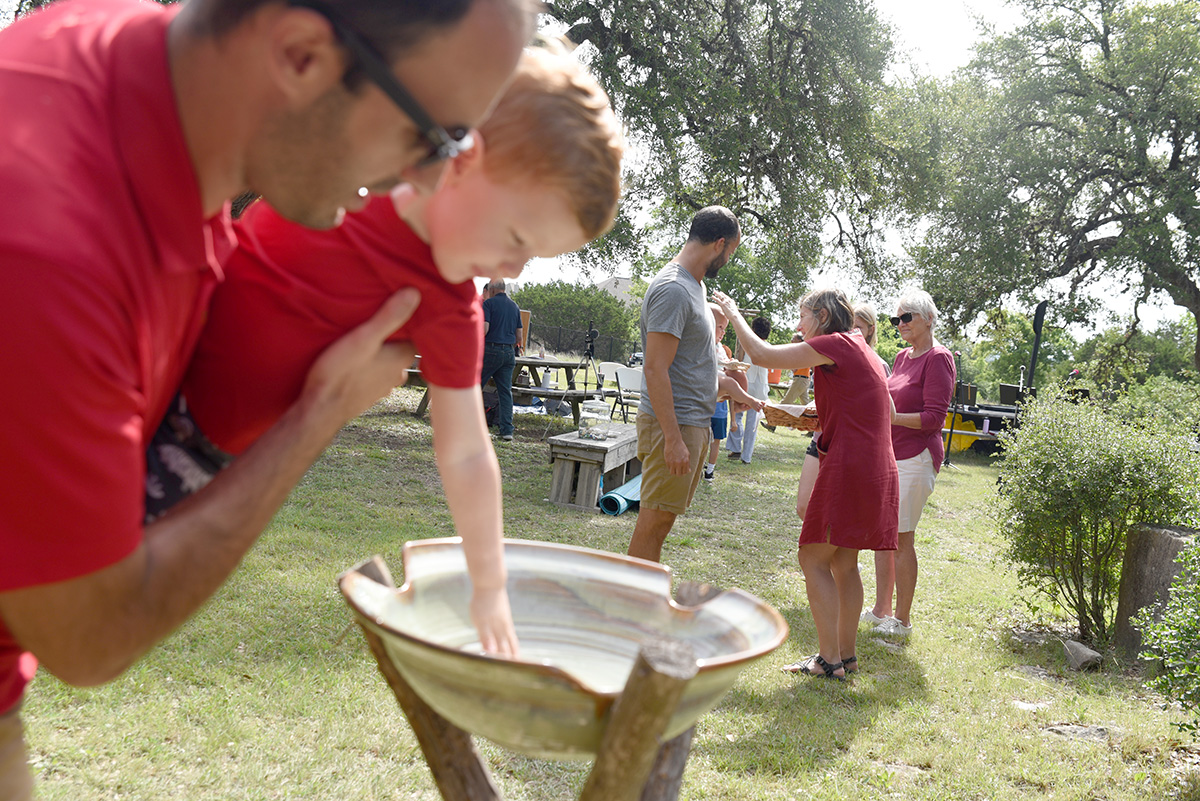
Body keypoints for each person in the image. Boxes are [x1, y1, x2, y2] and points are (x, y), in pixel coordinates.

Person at [0, 0, 534, 795]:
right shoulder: (44, 250)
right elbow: (90, 636)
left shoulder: (123, 59)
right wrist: (317, 413)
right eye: (435, 137)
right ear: (299, 56)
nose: (428, 178)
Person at [151, 44, 622, 647]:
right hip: (141, 363)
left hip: (201, 456)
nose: (517, 269)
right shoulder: (348, 177)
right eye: (515, 238)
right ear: (464, 161)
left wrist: (488, 584)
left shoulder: (452, 310)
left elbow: (468, 455)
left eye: (533, 255)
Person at [713, 287, 898, 680]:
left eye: (802, 317)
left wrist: (731, 310)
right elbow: (857, 407)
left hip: (850, 464)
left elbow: (761, 355)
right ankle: (846, 657)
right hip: (874, 464)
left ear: (823, 317)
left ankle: (829, 662)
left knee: (812, 557)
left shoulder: (835, 343)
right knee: (844, 562)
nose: (798, 327)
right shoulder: (858, 345)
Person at [627, 206, 742, 563]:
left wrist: (727, 387)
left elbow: (688, 364)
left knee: (663, 521)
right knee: (653, 523)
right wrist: (674, 440)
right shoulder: (674, 289)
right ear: (719, 244)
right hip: (672, 428)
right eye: (732, 251)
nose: (729, 258)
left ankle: (638, 606)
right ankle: (630, 609)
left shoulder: (695, 285)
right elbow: (655, 369)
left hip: (692, 423)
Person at [862, 290, 955, 638]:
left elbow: (934, 418)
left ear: (929, 319)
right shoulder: (902, 357)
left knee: (902, 539)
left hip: (917, 458)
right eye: (895, 319)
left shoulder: (939, 358)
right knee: (884, 537)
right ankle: (881, 610)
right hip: (891, 455)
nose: (899, 324)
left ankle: (902, 621)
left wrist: (895, 418)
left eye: (907, 317)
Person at [481, 278, 525, 441]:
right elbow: (519, 335)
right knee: (505, 391)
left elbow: (484, 329)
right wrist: (509, 346)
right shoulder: (515, 306)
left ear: (491, 290)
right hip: (508, 352)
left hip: (490, 349)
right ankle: (507, 430)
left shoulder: (489, 304)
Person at [726, 316, 772, 464]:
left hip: (746, 385)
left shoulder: (746, 344)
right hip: (761, 389)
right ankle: (747, 456)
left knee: (737, 415)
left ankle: (735, 448)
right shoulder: (769, 347)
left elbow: (738, 362)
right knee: (752, 423)